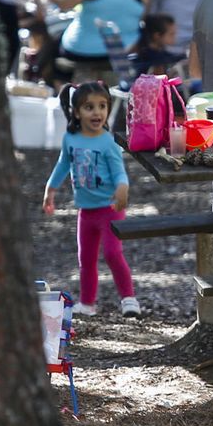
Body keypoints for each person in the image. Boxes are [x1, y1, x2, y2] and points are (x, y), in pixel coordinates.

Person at [43, 81, 139, 318]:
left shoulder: (108, 142)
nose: (97, 112)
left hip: (109, 208)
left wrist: (122, 188)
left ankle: (129, 299)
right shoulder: (71, 139)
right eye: (89, 107)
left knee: (112, 253)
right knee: (85, 259)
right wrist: (50, 189)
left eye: (102, 106)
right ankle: (87, 303)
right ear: (76, 112)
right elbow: (63, 164)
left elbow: (118, 171)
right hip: (86, 212)